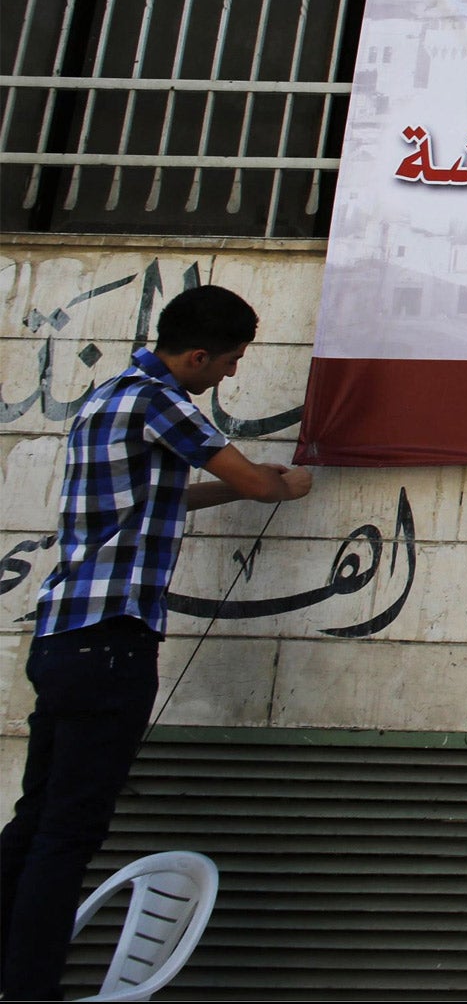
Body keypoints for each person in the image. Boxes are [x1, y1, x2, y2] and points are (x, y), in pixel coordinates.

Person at [0, 285, 312, 1001]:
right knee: (69, 834)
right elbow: (252, 480)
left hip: (62, 638)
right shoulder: (161, 401)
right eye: (229, 362)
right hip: (112, 643)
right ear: (197, 355)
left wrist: (241, 488)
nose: (229, 377)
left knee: (36, 817)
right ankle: (30, 988)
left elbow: (164, 496)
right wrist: (283, 485)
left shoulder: (107, 396)